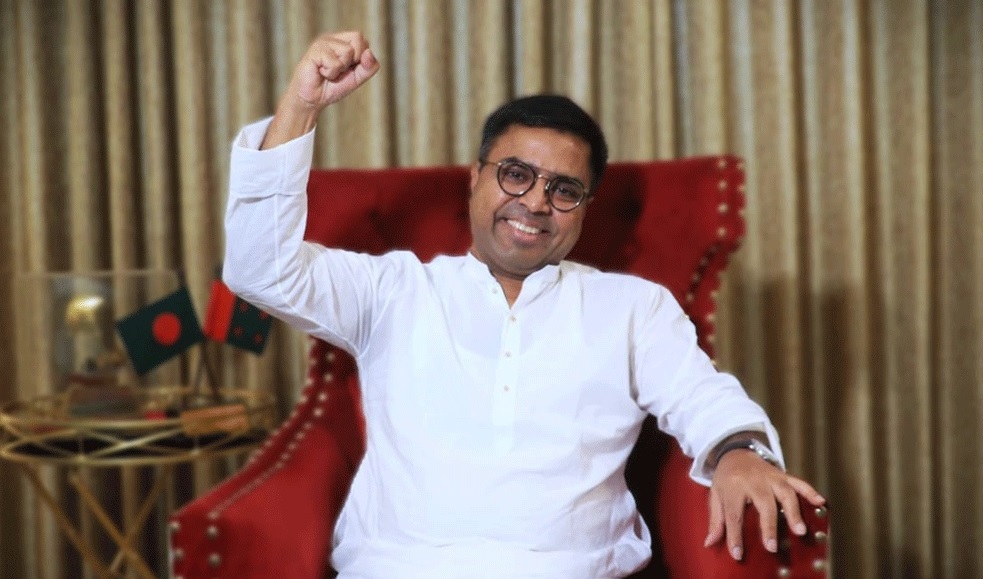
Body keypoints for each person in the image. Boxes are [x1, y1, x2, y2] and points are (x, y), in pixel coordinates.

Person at [223, 30, 825, 579]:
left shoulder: (633, 308)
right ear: (475, 178)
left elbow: (700, 395)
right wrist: (300, 105)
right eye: (516, 174)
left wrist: (739, 453)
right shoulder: (392, 290)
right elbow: (260, 269)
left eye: (564, 190)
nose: (536, 203)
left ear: (584, 208)